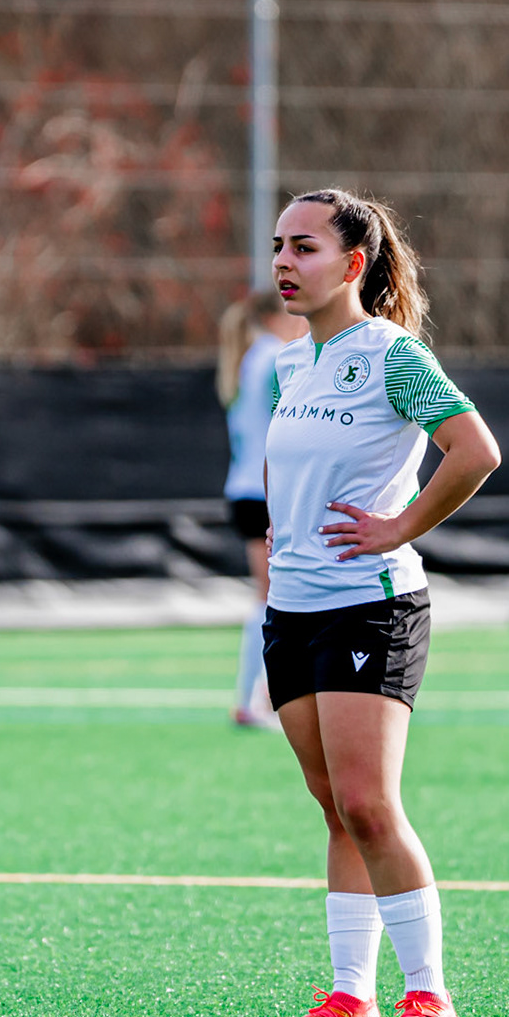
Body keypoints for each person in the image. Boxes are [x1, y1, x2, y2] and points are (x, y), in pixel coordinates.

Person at [257, 189, 501, 1017]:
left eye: (306, 248)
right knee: (334, 807)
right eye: (279, 245)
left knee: (369, 801)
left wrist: (400, 525)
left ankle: (430, 999)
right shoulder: (292, 362)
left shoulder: (392, 355)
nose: (285, 261)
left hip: (371, 608)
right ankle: (349, 998)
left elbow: (475, 450)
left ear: (353, 264)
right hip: (293, 615)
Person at [217, 290, 308, 729]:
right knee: (272, 600)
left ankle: (258, 698)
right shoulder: (276, 358)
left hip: (247, 491)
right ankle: (256, 699)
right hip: (264, 493)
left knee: (271, 597)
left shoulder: (251, 356)